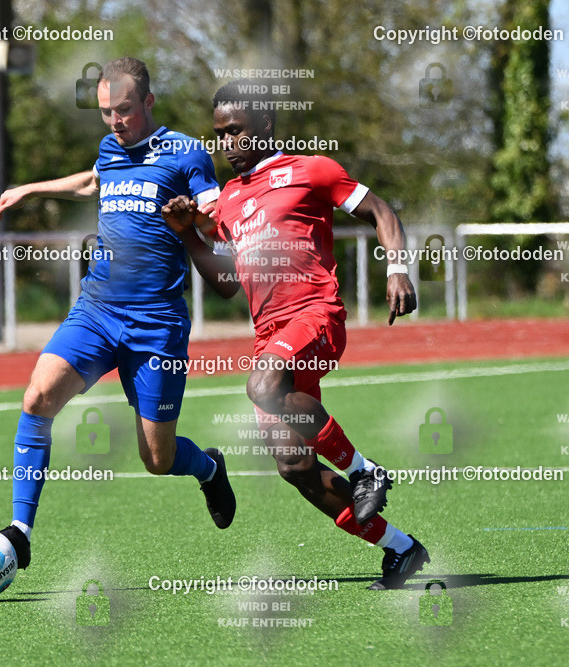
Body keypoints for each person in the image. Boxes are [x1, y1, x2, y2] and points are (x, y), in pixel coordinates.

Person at [160, 80, 428, 589]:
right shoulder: (229, 201)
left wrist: (397, 269)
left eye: (236, 130)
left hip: (315, 316)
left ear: (265, 125)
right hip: (269, 337)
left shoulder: (312, 170)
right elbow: (225, 284)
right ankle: (400, 548)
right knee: (294, 465)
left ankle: (364, 470)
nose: (227, 143)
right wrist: (188, 234)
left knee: (262, 385)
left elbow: (381, 211)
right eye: (219, 134)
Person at [0, 57, 236, 571]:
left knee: (158, 459)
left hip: (157, 325)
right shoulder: (110, 148)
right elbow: (92, 180)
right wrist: (31, 188)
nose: (115, 121)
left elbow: (218, 223)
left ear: (148, 101)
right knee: (37, 398)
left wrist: (195, 217)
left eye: (124, 110)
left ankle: (209, 468)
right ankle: (20, 531)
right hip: (97, 311)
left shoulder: (186, 153)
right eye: (106, 112)